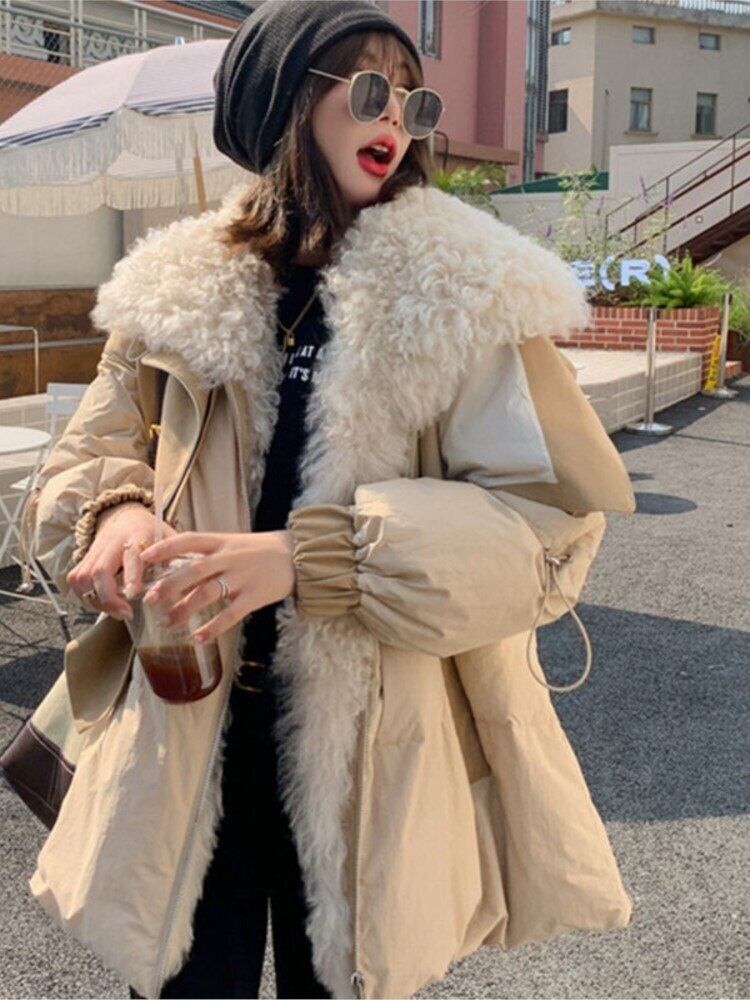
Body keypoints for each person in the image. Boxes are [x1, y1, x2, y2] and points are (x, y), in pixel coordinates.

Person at [22, 3, 636, 999]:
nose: (396, 116)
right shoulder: (177, 290)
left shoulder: (463, 290)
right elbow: (87, 456)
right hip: (187, 725)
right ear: (282, 102)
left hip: (371, 748)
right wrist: (115, 514)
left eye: (414, 99)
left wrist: (311, 559)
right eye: (369, 88)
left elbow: (552, 530)